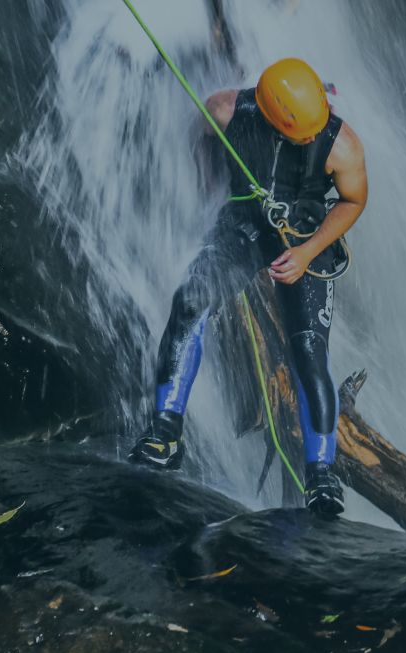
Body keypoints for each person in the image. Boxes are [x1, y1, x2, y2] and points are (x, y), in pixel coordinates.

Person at [127, 57, 368, 519]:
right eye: (302, 134)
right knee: (190, 303)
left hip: (304, 235)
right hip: (243, 224)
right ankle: (164, 431)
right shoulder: (224, 111)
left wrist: (307, 251)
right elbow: (198, 134)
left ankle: (321, 473)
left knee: (309, 348)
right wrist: (210, 183)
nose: (312, 138)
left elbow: (354, 200)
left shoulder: (341, 144)